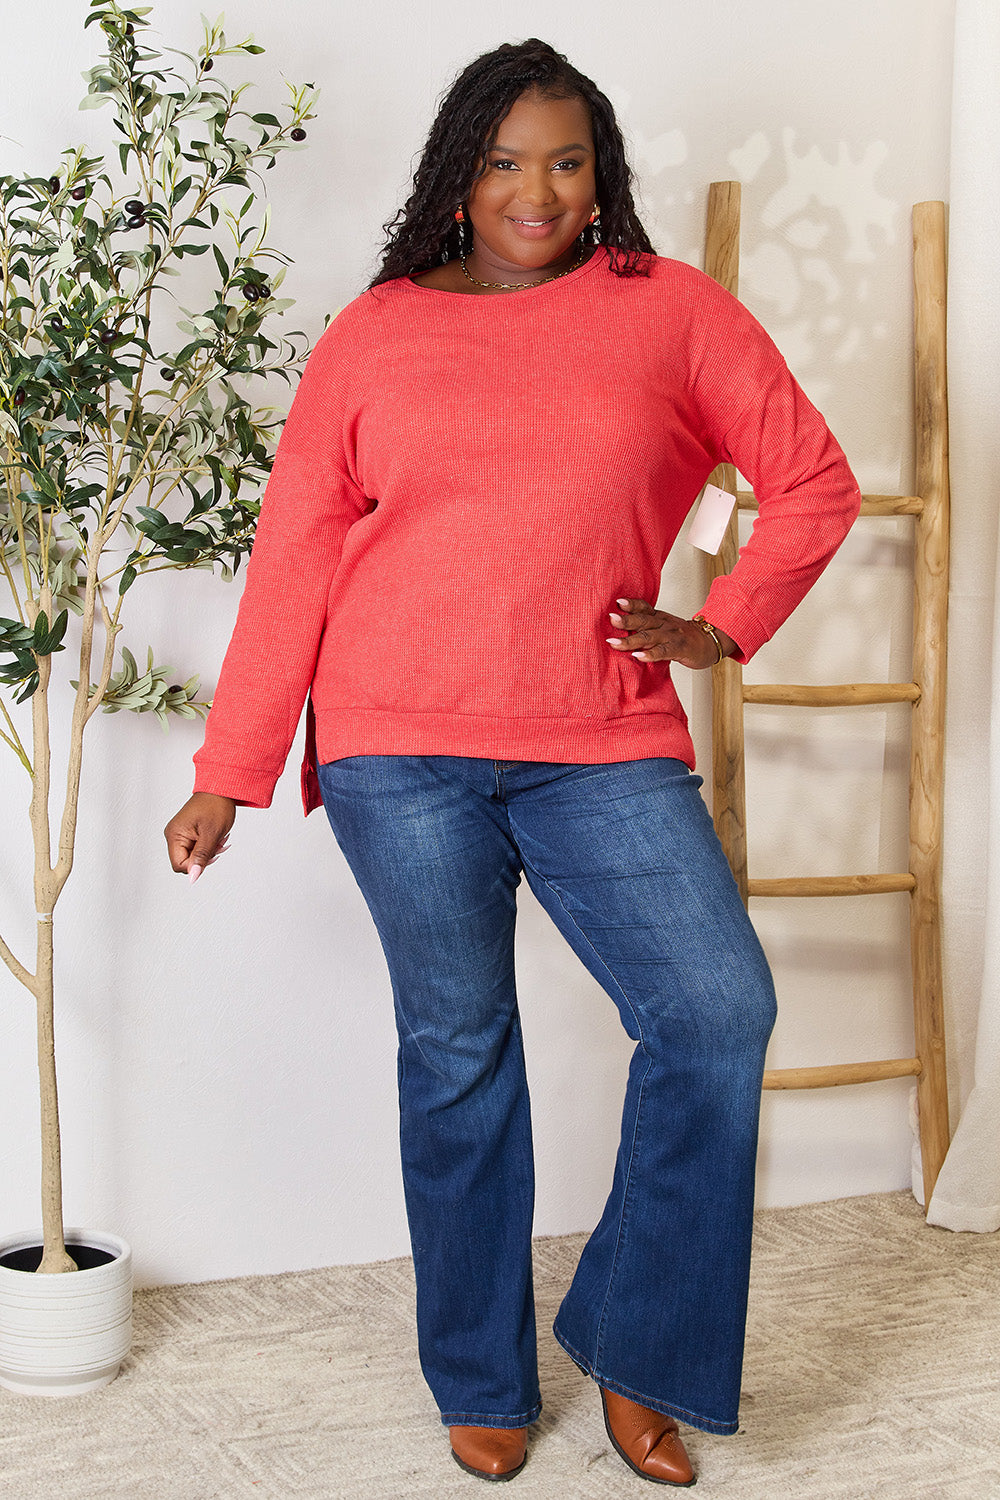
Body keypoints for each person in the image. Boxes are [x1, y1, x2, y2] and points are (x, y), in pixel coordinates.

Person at [165, 39, 861, 1487]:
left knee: (716, 1014)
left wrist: (718, 626)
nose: (534, 190)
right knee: (460, 1053)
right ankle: (479, 1371)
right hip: (395, 749)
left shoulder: (669, 312)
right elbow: (295, 552)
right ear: (456, 178)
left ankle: (637, 1348)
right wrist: (229, 769)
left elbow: (809, 480)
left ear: (600, 174)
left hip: (599, 740)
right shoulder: (375, 331)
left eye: (564, 160)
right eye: (501, 161)